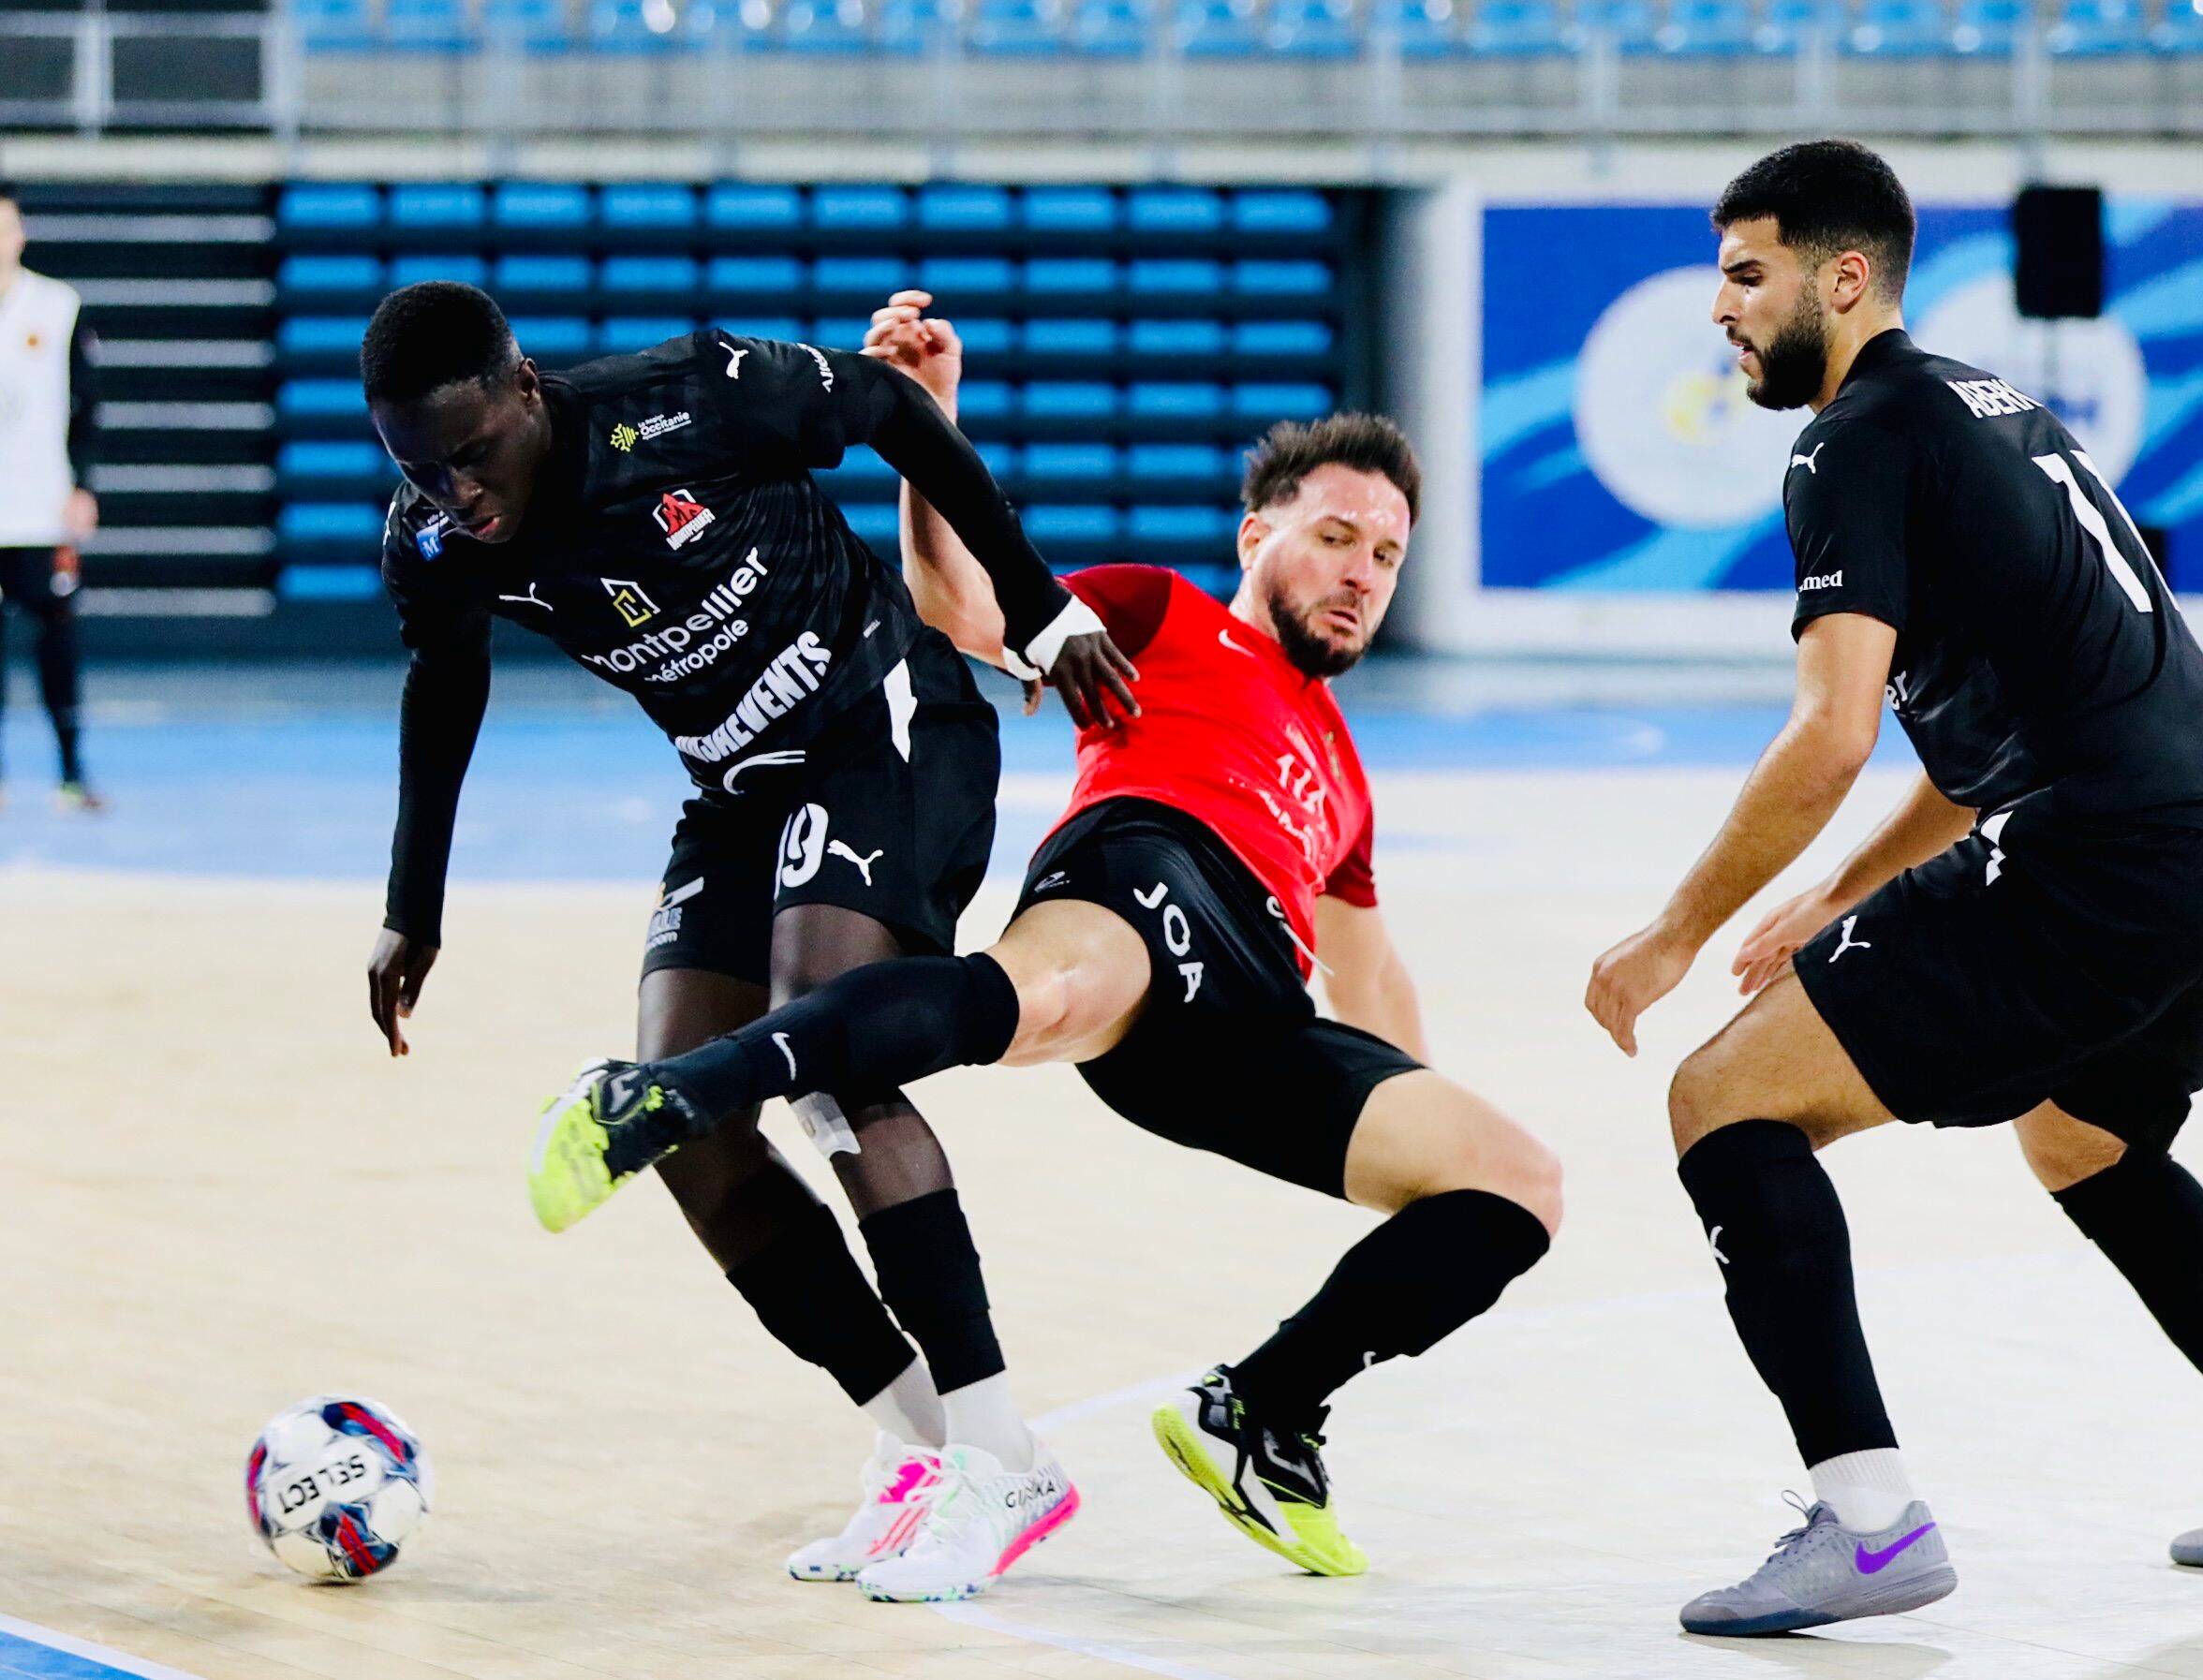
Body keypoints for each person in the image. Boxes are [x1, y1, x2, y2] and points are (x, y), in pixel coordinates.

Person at [528, 289, 1564, 1591]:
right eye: (1337, 536)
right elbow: (963, 609)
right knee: (1057, 979)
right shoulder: (1166, 613)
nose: (1363, 572)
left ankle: (1262, 1408)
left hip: (1253, 1014)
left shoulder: (1348, 779)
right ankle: (685, 1093)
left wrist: (1421, 1135)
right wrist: (934, 424)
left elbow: (1367, 967)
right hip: (1145, 866)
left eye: (1388, 557)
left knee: (1519, 1182)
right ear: (1259, 533)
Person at [361, 282, 1134, 1599]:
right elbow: (446, 682)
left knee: (820, 1039)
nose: (457, 492)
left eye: (474, 452)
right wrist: (410, 904)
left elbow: (889, 406)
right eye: (421, 468)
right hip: (735, 782)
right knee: (688, 1119)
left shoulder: (687, 397)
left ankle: (1005, 1456)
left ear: (526, 389)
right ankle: (929, 1447)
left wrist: (1040, 602)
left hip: (883, 713)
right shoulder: (434, 540)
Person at [1586, 139, 2203, 1637]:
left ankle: (1868, 1520)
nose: (1723, 310)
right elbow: (2003, 725)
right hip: (2187, 839)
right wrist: (1840, 895)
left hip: (2098, 855)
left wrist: (1676, 933)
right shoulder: (1999, 411)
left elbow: (1830, 730)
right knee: (2082, 1138)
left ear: (1842, 278)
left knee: (1722, 1102)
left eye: (1748, 275)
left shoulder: (1852, 438)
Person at [0, 181, 102, 812]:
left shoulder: (58, 307)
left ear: (20, 234)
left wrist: (83, 486)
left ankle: (70, 771)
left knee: (56, 639)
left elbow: (87, 406)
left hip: (41, 508)